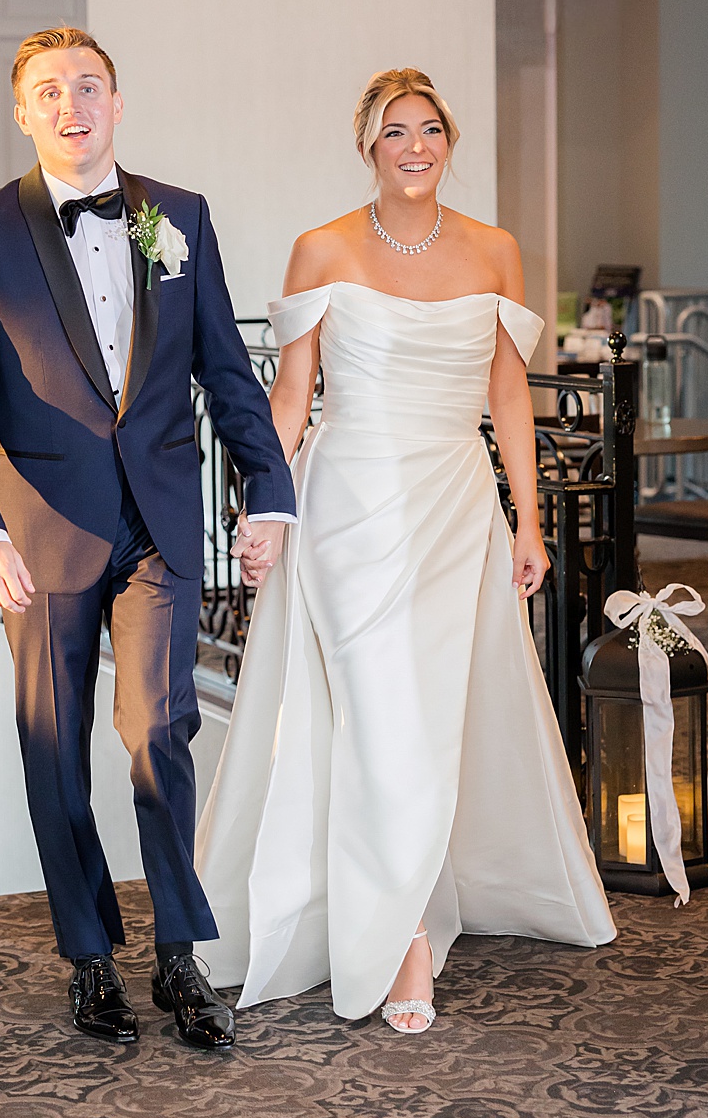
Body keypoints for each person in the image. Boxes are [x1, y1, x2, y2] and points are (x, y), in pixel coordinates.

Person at [196, 67, 614, 1034]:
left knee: (426, 715)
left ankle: (405, 897)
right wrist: (263, 511)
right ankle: (407, 933)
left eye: (430, 128)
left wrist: (531, 520)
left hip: (456, 503)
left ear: (447, 140)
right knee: (379, 709)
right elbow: (291, 399)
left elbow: (510, 393)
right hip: (349, 506)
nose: (415, 145)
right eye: (396, 131)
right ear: (368, 145)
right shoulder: (324, 247)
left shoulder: (496, 250)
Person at [0, 26, 293, 1052]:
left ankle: (180, 953)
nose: (71, 102)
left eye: (89, 85)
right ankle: (90, 955)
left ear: (117, 102)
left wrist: (268, 493)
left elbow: (226, 367)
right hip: (38, 536)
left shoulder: (180, 217)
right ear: (23, 112)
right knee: (55, 748)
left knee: (158, 728)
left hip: (160, 523)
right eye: (48, 90)